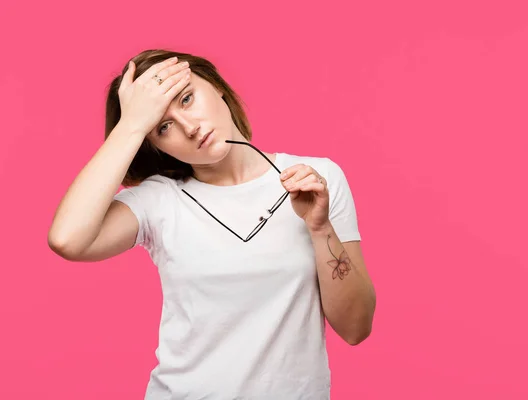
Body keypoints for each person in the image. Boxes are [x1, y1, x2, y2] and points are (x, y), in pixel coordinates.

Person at [48, 49, 376, 399]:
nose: (190, 128)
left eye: (187, 98)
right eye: (162, 126)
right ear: (154, 144)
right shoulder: (159, 201)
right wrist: (131, 123)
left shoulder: (318, 178)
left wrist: (320, 228)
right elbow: (68, 239)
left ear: (217, 86)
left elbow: (356, 327)